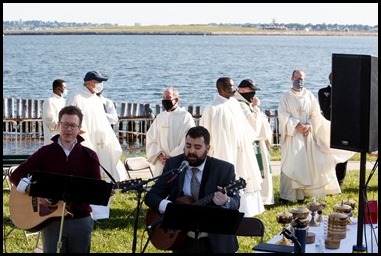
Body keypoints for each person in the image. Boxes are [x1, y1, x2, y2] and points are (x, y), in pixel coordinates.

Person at [10, 106, 103, 253]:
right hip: (50, 219)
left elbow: (96, 190)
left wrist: (103, 192)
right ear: (59, 125)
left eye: (73, 125)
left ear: (79, 128)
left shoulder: (90, 156)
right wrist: (33, 191)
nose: (68, 129)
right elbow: (16, 175)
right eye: (65, 124)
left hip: (80, 219)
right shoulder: (45, 152)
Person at [144, 126, 241, 253]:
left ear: (208, 148)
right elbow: (151, 196)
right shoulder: (174, 164)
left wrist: (226, 201)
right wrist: (168, 207)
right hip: (181, 240)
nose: (191, 151)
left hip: (215, 243)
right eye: (188, 146)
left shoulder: (223, 169)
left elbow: (236, 201)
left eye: (197, 147)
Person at [278, 69, 354, 203]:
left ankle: (305, 193)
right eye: (297, 78)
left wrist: (308, 125)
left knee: (307, 165)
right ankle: (289, 196)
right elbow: (282, 114)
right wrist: (296, 125)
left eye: (301, 79)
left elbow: (316, 114)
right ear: (291, 78)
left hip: (307, 135)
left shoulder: (309, 96)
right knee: (293, 163)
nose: (299, 81)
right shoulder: (286, 97)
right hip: (294, 136)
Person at [65, 70, 126, 220]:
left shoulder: (96, 99)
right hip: (87, 142)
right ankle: (86, 210)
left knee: (103, 177)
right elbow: (68, 116)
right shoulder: (76, 96)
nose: (100, 85)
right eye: (98, 82)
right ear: (89, 82)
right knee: (88, 175)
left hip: (102, 144)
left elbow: (104, 122)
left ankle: (101, 212)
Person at [200, 77, 264, 217]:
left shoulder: (235, 103)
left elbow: (244, 126)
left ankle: (245, 210)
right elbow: (205, 132)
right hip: (223, 150)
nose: (234, 89)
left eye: (233, 86)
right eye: (230, 87)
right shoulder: (212, 108)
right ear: (221, 89)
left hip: (240, 148)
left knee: (242, 175)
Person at [235, 79, 274, 205]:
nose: (253, 94)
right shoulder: (240, 105)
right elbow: (254, 124)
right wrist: (256, 107)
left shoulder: (246, 103)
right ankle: (259, 199)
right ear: (242, 90)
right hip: (251, 142)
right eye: (251, 91)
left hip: (258, 141)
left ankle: (263, 198)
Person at [146, 87, 196, 176]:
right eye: (163, 98)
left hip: (178, 160)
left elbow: (188, 139)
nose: (165, 100)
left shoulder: (185, 116)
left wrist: (172, 157)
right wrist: (160, 156)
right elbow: (150, 138)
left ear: (176, 100)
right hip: (161, 162)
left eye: (168, 98)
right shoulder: (160, 117)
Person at [318, 72, 348, 186]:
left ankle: (340, 180)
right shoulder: (323, 91)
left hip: (342, 125)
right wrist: (334, 91)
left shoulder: (345, 92)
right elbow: (324, 108)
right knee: (328, 153)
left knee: (342, 152)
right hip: (328, 126)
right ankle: (328, 178)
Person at [42, 79, 67, 145]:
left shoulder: (63, 101)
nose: (66, 90)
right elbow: (49, 119)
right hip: (52, 135)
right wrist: (62, 126)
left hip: (63, 135)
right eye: (64, 88)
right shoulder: (49, 101)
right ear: (58, 88)